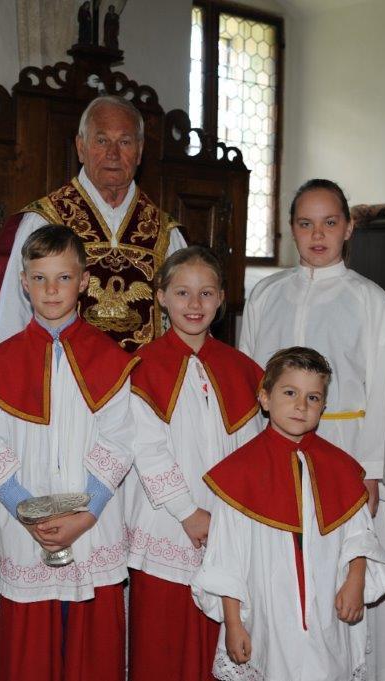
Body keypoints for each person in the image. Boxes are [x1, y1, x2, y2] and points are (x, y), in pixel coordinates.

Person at [238, 178, 385, 681]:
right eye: (305, 223)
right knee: (282, 567)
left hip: (348, 452)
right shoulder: (265, 294)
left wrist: (372, 470)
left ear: (349, 227)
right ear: (290, 229)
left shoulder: (370, 299)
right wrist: (245, 458)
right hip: (274, 452)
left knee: (346, 570)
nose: (318, 235)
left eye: (330, 222)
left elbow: (383, 391)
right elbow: (249, 380)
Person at [0, 225, 139, 681]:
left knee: (92, 654)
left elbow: (120, 440)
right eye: (40, 278)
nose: (51, 290)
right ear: (24, 283)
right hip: (26, 528)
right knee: (29, 653)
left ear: (84, 282)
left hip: (92, 528)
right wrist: (27, 509)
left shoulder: (109, 358)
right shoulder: (2, 360)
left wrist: (86, 514)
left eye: (63, 278)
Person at [192, 347, 385, 681]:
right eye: (290, 393)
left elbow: (359, 534)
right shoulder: (240, 472)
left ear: (323, 407)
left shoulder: (340, 467)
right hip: (269, 613)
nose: (301, 406)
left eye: (313, 397)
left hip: (327, 611)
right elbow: (226, 557)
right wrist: (233, 623)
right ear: (265, 397)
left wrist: (356, 580)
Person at [124, 246, 265, 681]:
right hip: (166, 522)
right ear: (161, 297)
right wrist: (187, 511)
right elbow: (146, 449)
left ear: (221, 298)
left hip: (226, 525)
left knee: (220, 635)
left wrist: (235, 517)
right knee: (163, 642)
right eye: (182, 292)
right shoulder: (142, 367)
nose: (195, 304)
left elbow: (253, 451)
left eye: (206, 293)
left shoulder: (243, 369)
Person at [0, 94, 188, 349]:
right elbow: (12, 316)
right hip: (62, 371)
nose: (113, 153)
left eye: (124, 142)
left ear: (140, 151)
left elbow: (187, 321)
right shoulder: (44, 221)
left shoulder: (165, 234)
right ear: (80, 147)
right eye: (101, 140)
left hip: (144, 374)